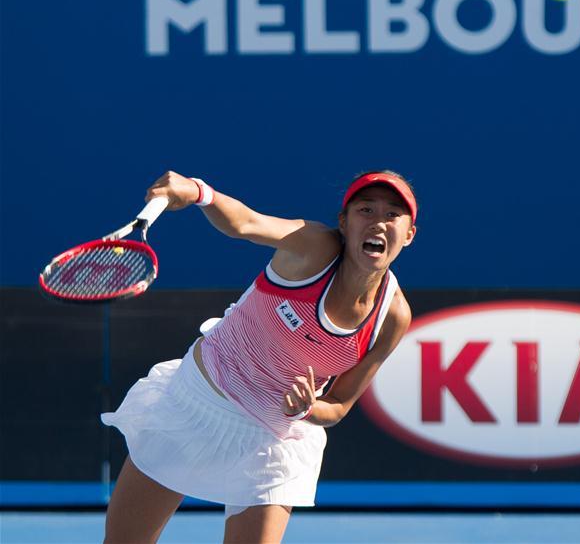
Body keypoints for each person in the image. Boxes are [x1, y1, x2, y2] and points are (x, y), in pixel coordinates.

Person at [101, 169, 417, 543]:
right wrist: (200, 192)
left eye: (392, 214)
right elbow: (245, 223)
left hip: (271, 442)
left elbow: (339, 405)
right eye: (366, 210)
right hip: (195, 405)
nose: (378, 222)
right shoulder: (313, 248)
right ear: (344, 224)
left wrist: (307, 410)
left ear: (409, 234)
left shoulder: (393, 317)